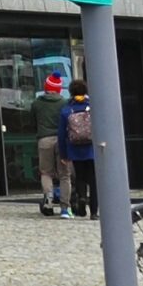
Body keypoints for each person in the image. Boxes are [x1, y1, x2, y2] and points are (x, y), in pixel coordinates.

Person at [60, 81, 98, 220]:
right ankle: (93, 212)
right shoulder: (92, 107)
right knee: (93, 180)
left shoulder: (66, 109)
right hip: (91, 149)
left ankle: (82, 197)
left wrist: (64, 154)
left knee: (80, 177)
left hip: (75, 149)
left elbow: (61, 134)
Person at [34, 71, 70, 216]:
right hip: (62, 140)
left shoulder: (37, 103)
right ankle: (65, 207)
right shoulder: (64, 103)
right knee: (64, 175)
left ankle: (48, 200)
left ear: (46, 87)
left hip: (44, 139)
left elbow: (32, 121)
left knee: (46, 172)